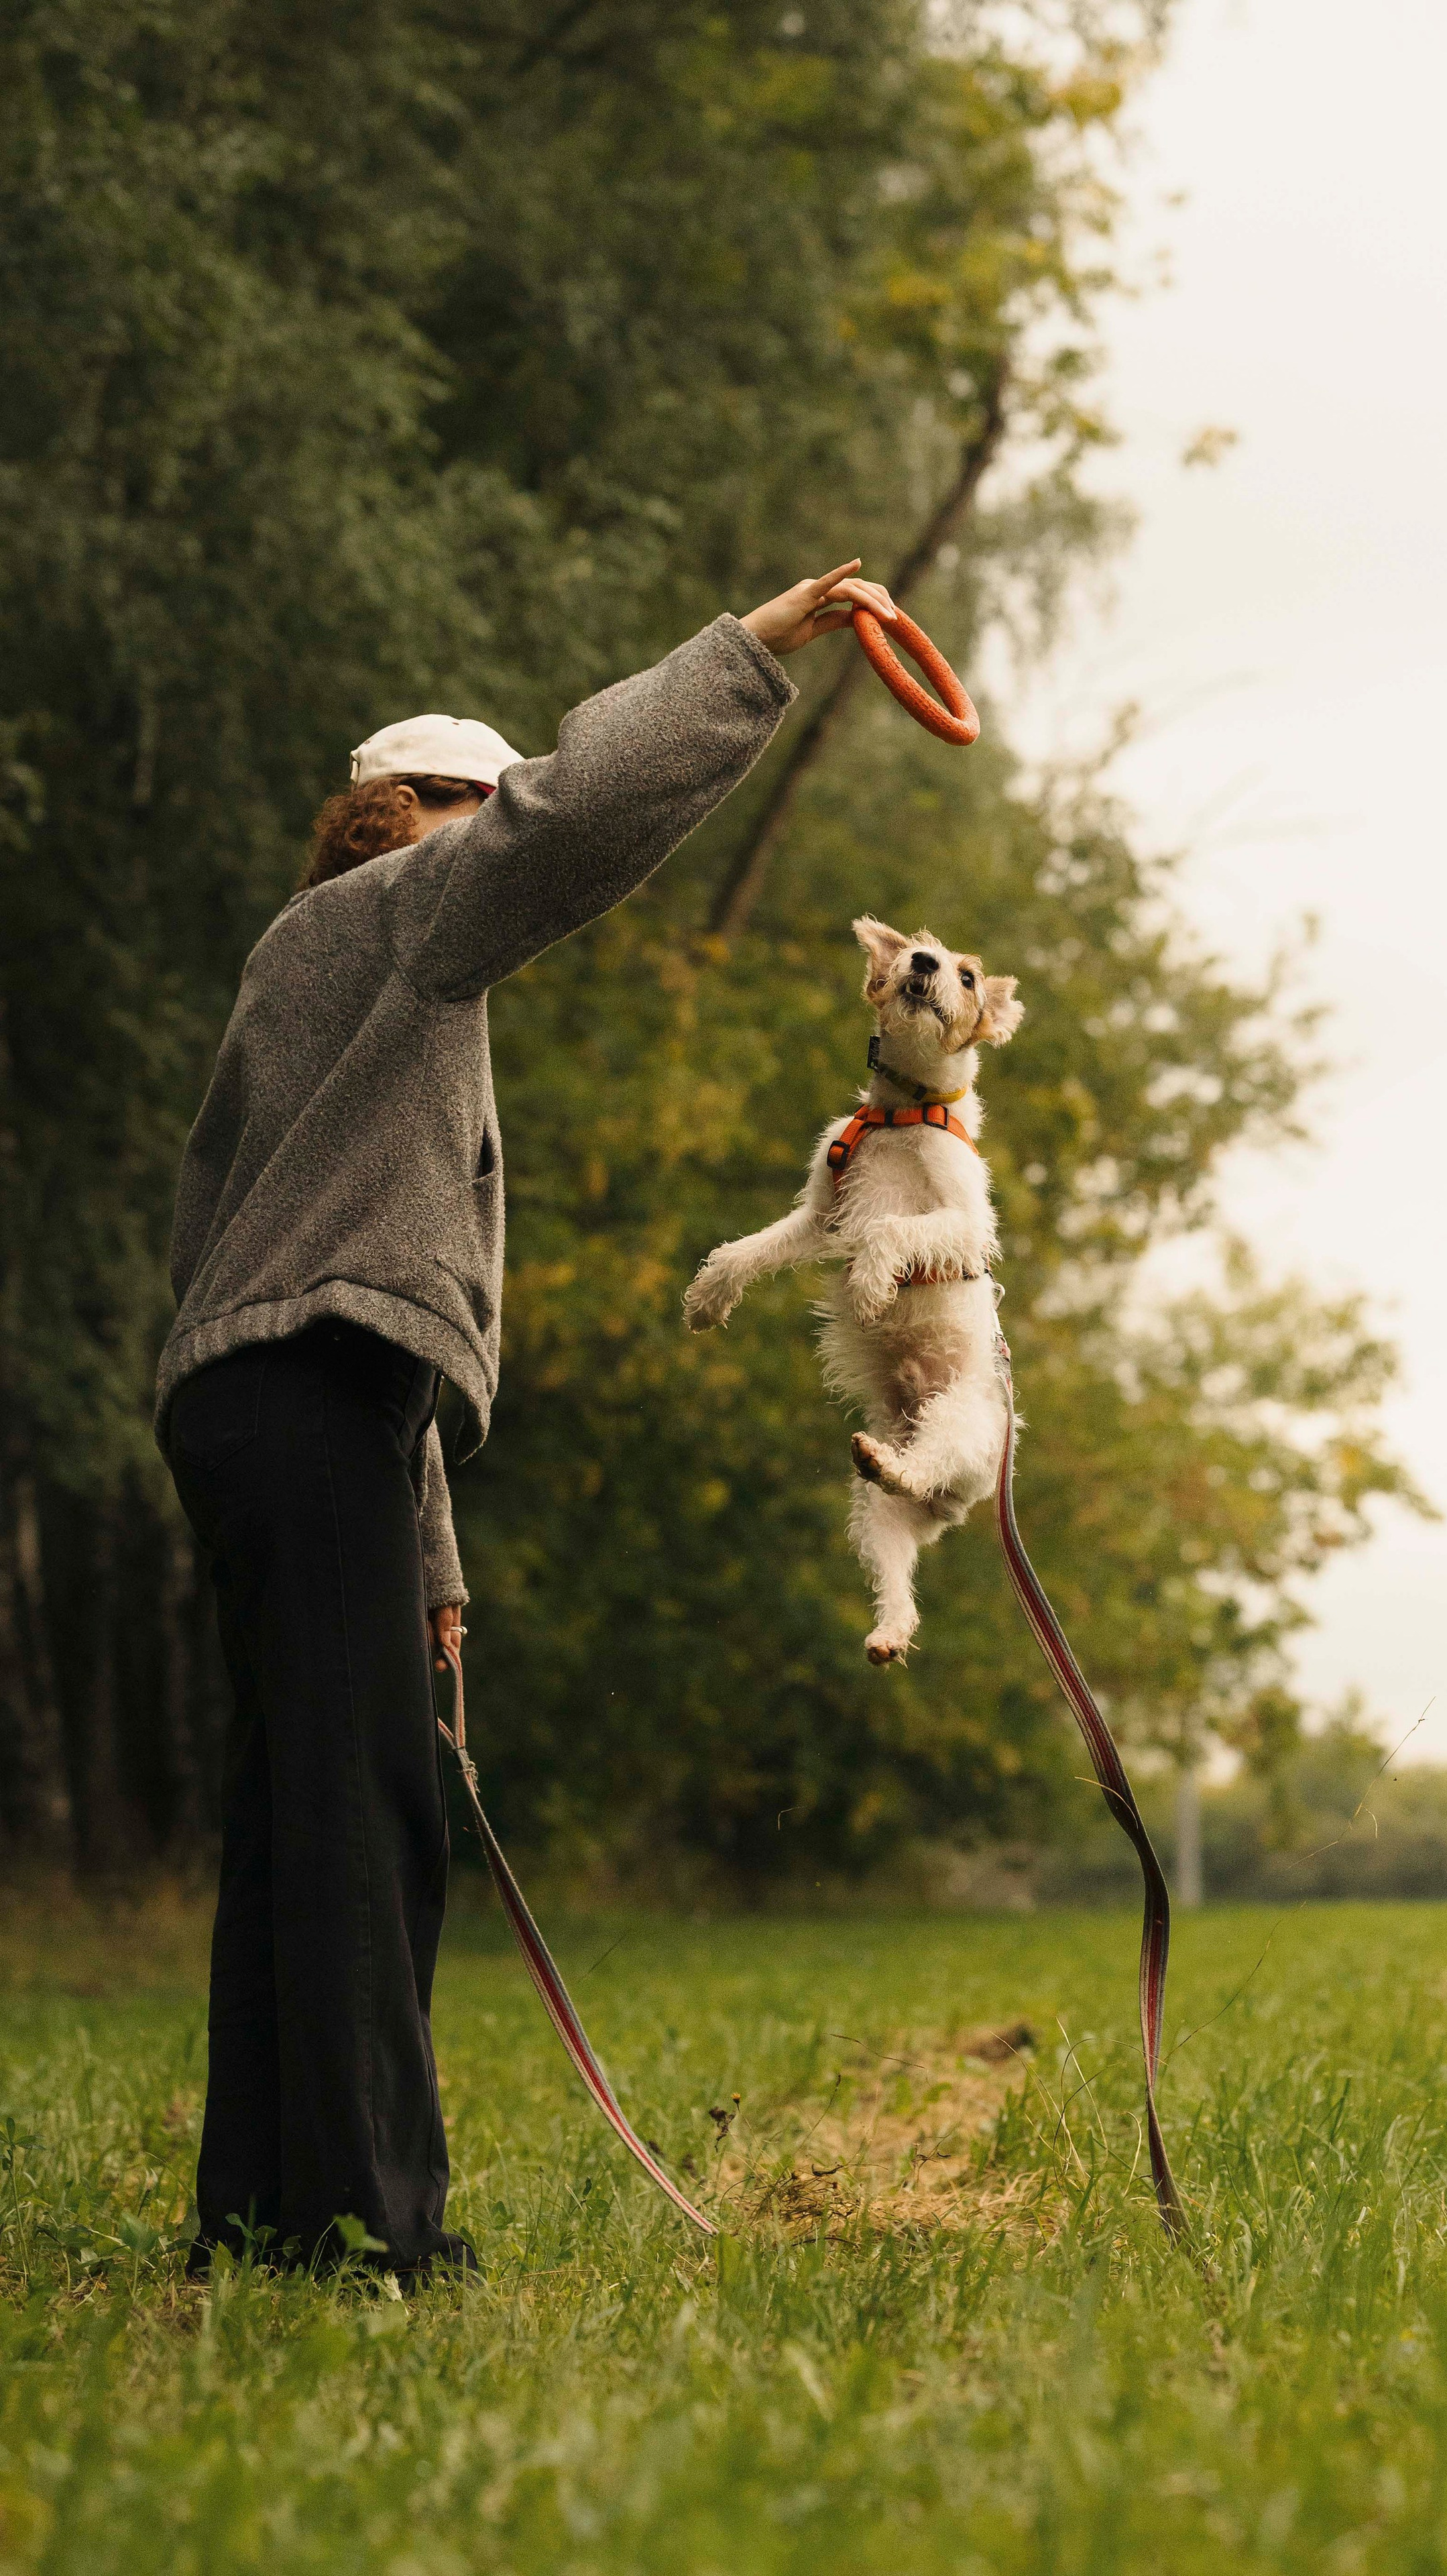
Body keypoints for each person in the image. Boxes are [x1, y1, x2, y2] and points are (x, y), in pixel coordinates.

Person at [158, 561, 896, 2282]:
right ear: (404, 815)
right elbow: (570, 822)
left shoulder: (320, 979)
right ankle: (362, 2233)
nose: (499, 840)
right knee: (367, 1813)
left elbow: (321, 1296)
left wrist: (427, 1559)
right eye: (474, 811)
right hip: (303, 1402)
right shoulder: (399, 918)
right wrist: (747, 652)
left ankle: (258, 2216)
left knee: (298, 1808)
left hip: (256, 1407)